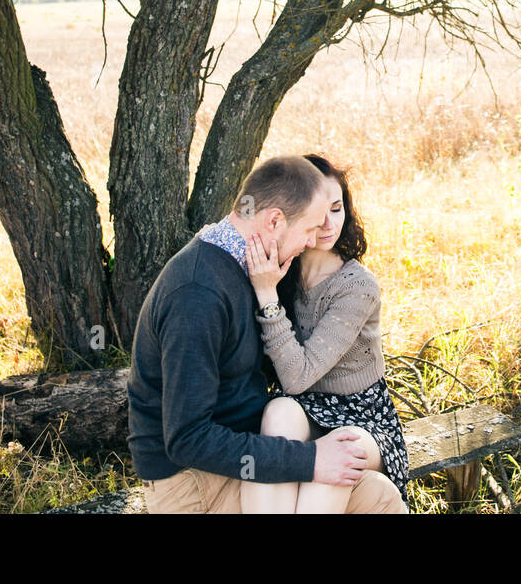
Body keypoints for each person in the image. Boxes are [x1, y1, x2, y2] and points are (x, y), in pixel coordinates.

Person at [126, 154, 407, 514]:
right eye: (308, 230)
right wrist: (308, 460)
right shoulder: (197, 293)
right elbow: (186, 439)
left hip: (245, 449)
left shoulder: (253, 267)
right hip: (194, 482)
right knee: (341, 480)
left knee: (379, 496)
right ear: (274, 220)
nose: (311, 242)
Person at [239, 153, 411, 513]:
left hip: (361, 417)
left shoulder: (357, 286)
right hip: (304, 408)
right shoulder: (279, 269)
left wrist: (267, 295)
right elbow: (289, 390)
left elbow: (297, 376)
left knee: (337, 457)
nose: (328, 222)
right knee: (277, 413)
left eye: (337, 208)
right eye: (319, 212)